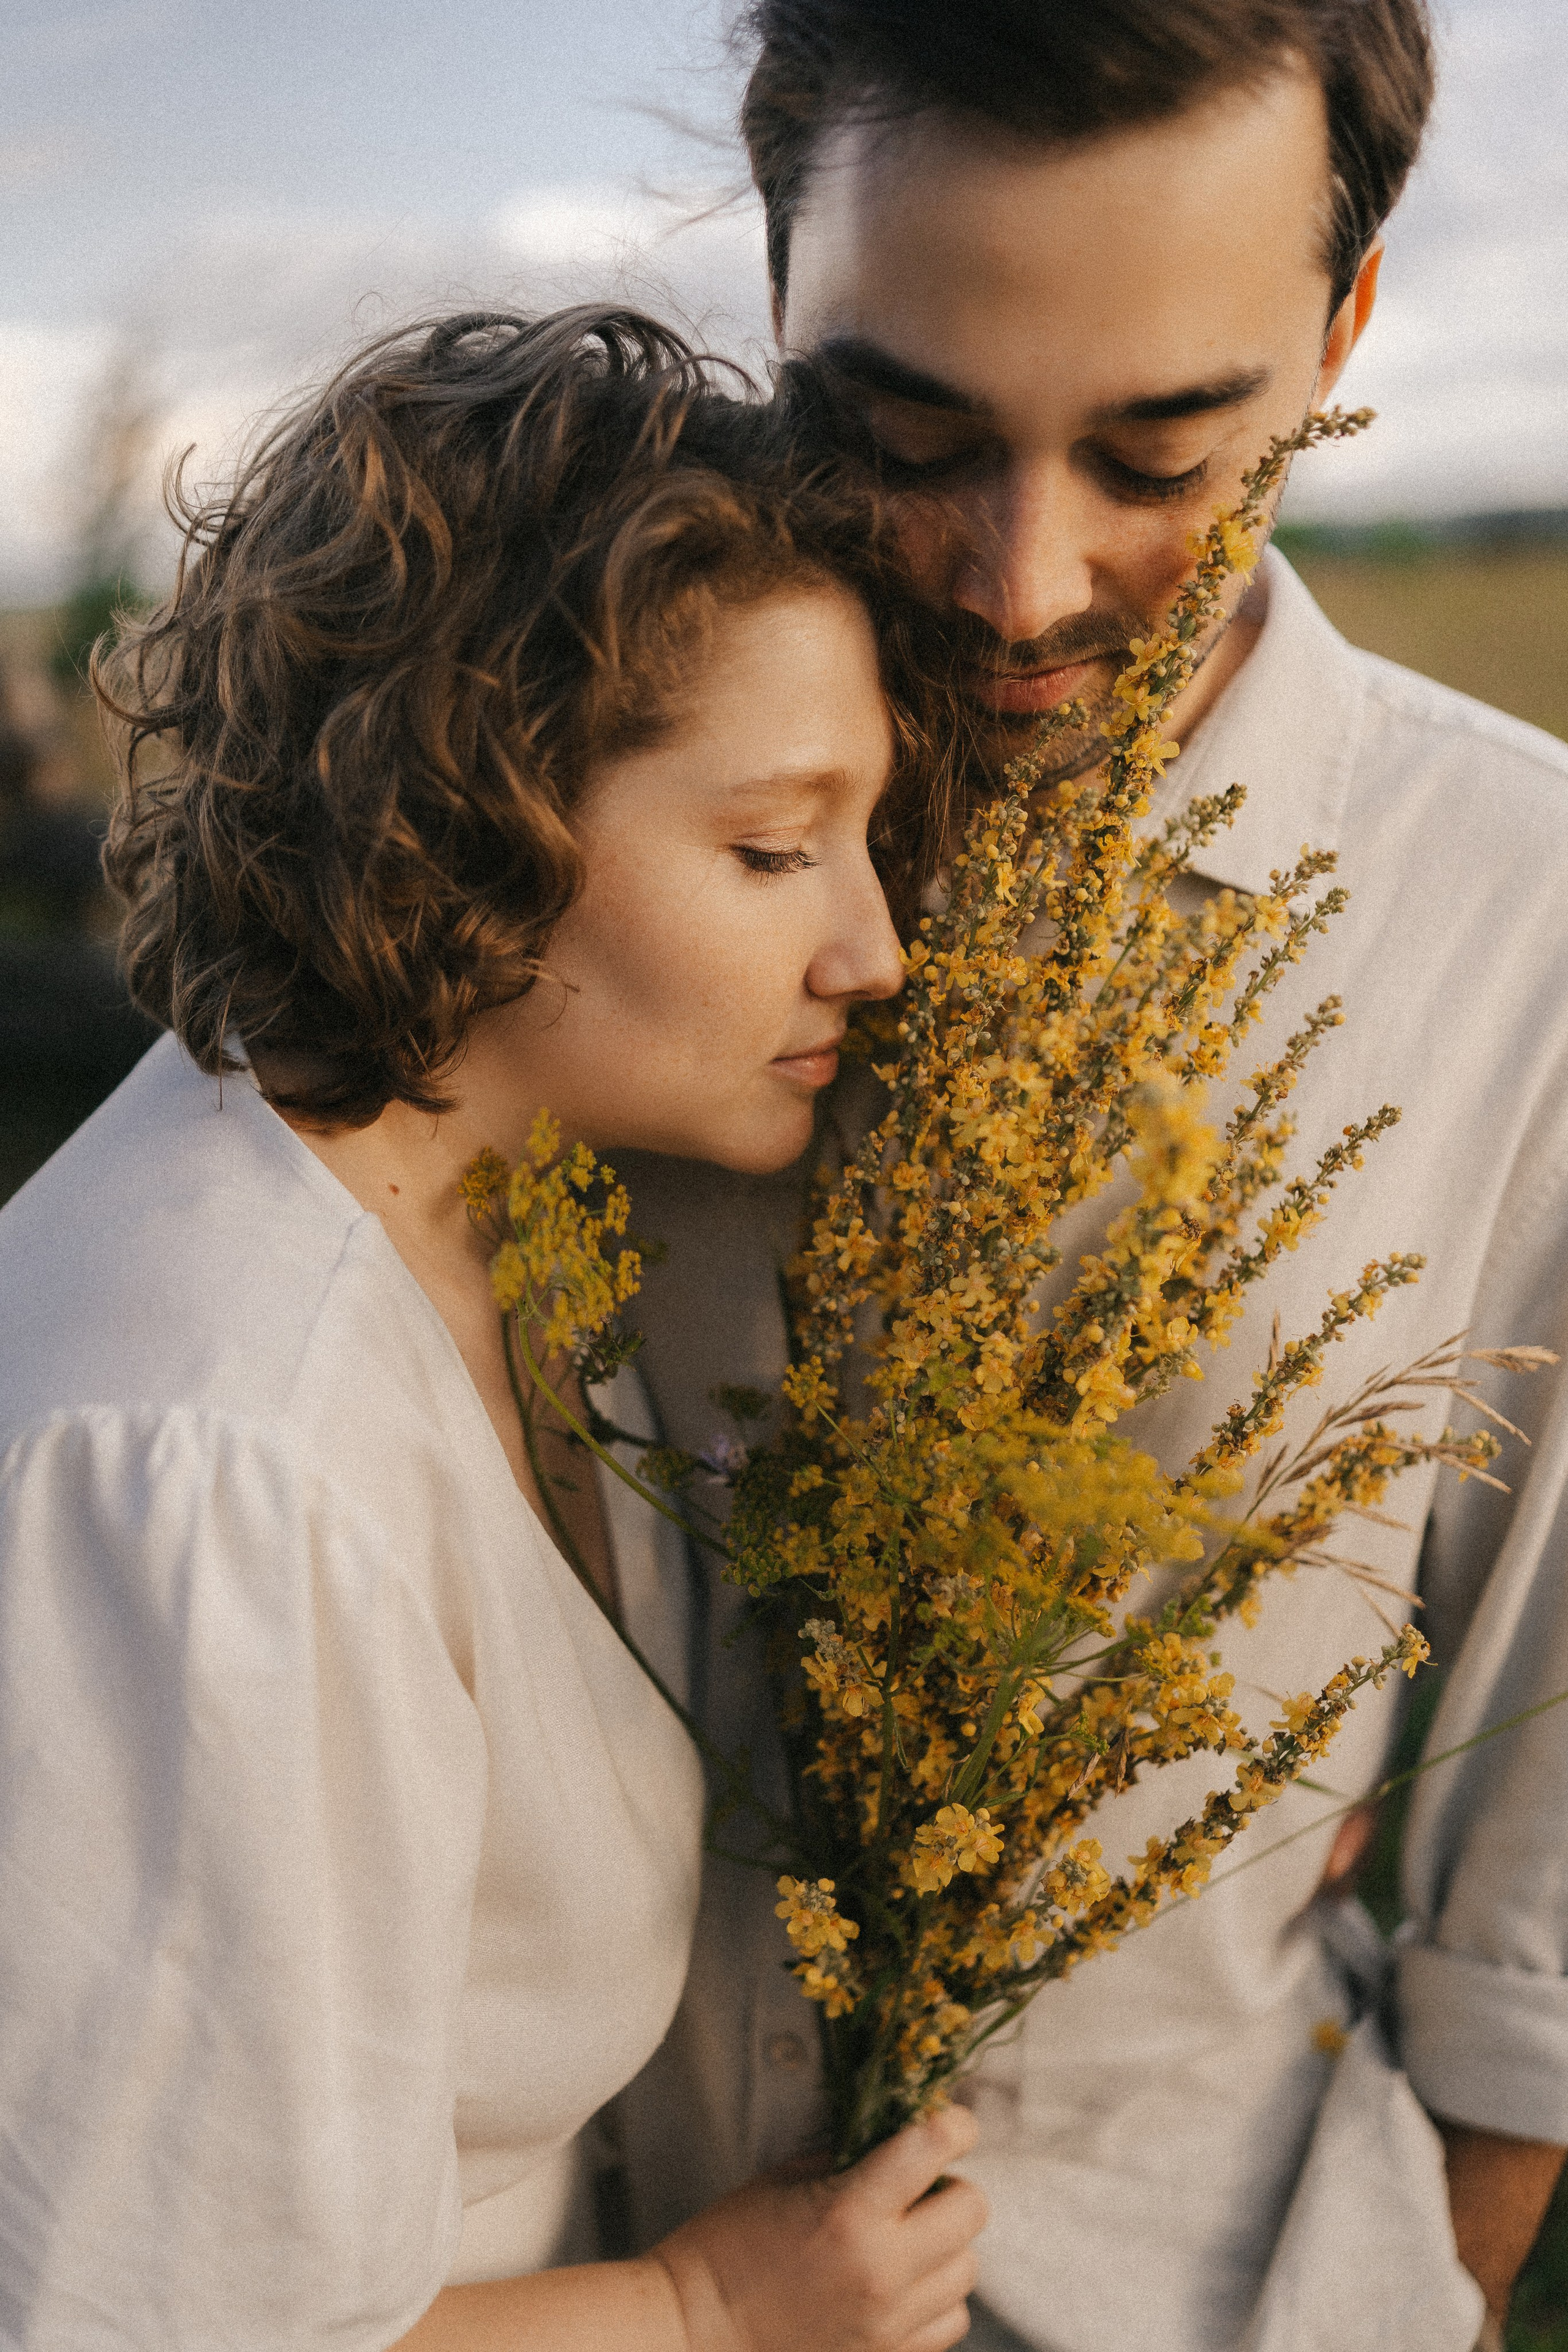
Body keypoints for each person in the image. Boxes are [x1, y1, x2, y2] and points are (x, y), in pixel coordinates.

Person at [606, 6, 1568, 2348]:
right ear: (776, 288)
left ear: (1344, 328)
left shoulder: (1527, 919)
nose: (1021, 585)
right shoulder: (536, 814)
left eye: (1162, 456)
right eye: (904, 438)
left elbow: (1551, 1847)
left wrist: (1435, 2283)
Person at [0, 306, 990, 2351]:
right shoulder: (223, 1466)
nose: (873, 948)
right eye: (773, 848)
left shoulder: (493, 1217)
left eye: (866, 839)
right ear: (462, 817)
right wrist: (708, 2312)